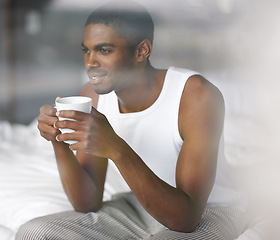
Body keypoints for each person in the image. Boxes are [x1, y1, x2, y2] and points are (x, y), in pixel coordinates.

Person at [16, 1, 247, 239]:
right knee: (34, 233)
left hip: (207, 211)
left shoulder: (196, 96)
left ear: (141, 51)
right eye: (87, 50)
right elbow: (87, 203)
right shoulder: (92, 96)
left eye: (104, 50)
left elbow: (185, 219)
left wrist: (116, 148)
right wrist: (59, 141)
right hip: (138, 207)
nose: (90, 63)